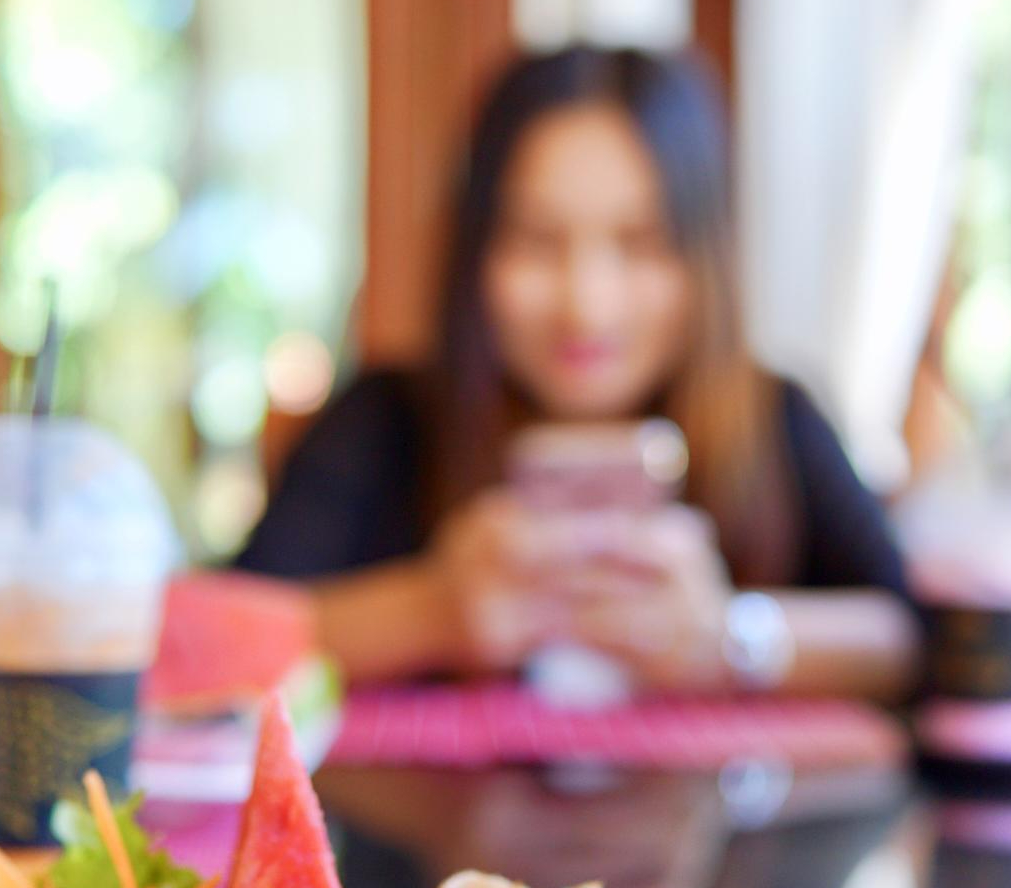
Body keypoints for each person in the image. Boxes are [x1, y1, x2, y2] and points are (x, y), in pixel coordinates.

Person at [238, 46, 917, 700]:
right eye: (536, 242)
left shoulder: (773, 419)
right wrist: (432, 613)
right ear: (476, 251)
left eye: (641, 244)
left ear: (705, 257)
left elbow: (909, 635)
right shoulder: (386, 420)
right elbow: (214, 637)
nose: (587, 306)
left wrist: (732, 636)